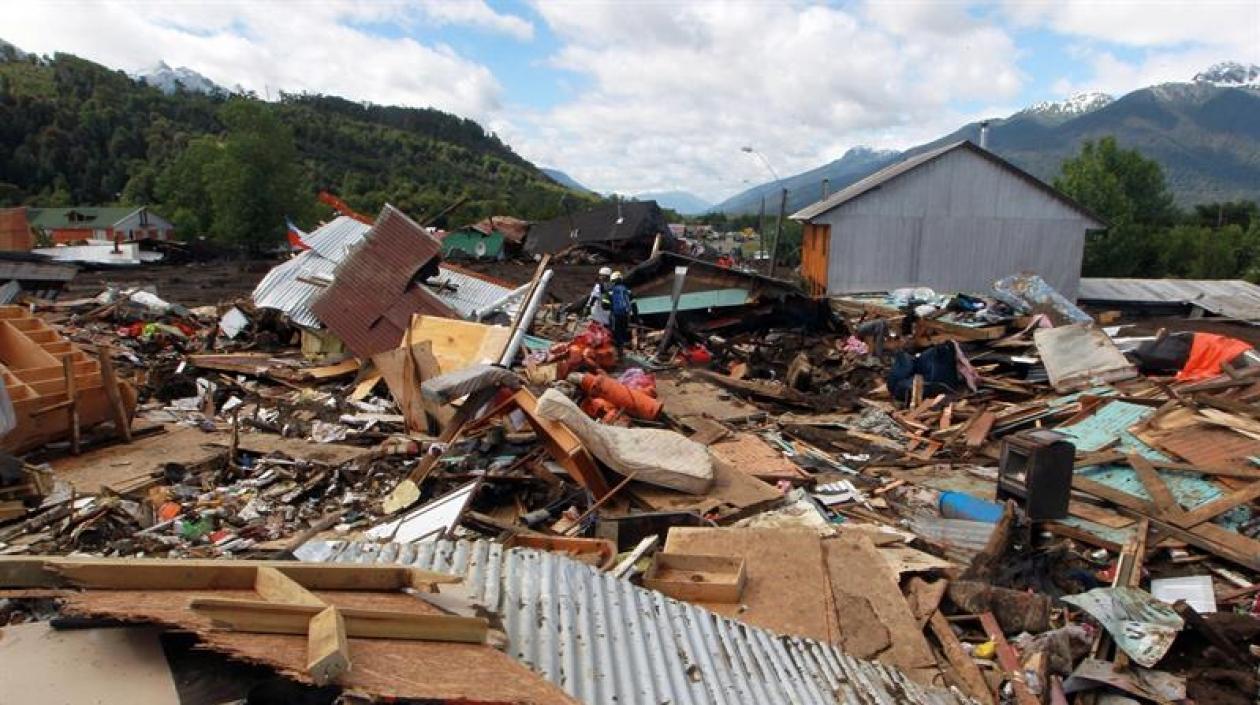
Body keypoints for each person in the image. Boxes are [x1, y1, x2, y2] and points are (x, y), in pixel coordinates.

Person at [608, 271, 639, 354]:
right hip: (625, 315)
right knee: (622, 332)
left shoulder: (611, 290)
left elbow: (605, 304)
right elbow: (634, 304)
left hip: (615, 315)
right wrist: (636, 318)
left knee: (614, 333)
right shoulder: (627, 290)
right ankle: (621, 350)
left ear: (612, 281)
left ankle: (615, 352)